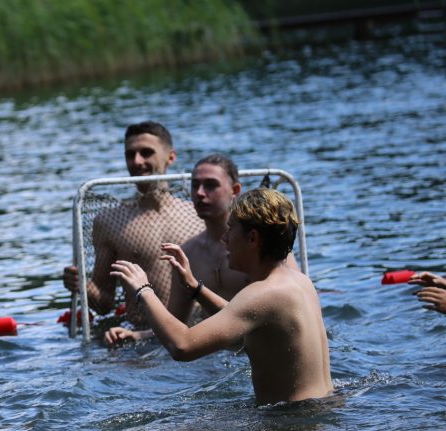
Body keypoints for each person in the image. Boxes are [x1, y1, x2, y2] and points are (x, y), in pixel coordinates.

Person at [110, 188, 332, 405]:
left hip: (290, 423)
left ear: (252, 238)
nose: (224, 238)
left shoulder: (262, 294)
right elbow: (242, 322)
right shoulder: (300, 282)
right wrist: (194, 288)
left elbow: (182, 346)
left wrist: (144, 290)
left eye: (231, 229)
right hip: (320, 411)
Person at [105, 154, 299, 344]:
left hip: (259, 346)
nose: (199, 192)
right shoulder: (188, 253)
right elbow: (176, 322)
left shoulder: (263, 248)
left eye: (211, 185)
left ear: (235, 190)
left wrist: (144, 290)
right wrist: (137, 336)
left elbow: (294, 312)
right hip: (215, 350)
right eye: (195, 185)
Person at [62, 122, 203, 337]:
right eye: (130, 155)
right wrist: (81, 284)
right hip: (140, 339)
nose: (137, 162)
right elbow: (104, 304)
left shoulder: (199, 215)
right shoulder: (109, 221)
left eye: (146, 153)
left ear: (170, 157)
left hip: (198, 333)